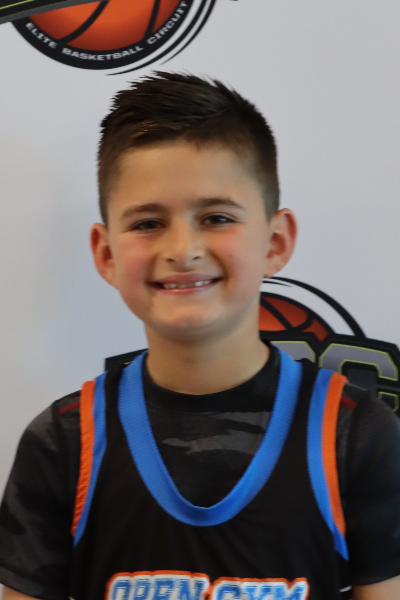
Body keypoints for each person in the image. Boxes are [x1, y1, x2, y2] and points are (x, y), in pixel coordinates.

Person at [1, 73, 400, 600]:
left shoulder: (356, 433)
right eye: (148, 223)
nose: (183, 249)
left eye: (216, 217)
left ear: (275, 242)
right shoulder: (63, 442)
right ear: (106, 253)